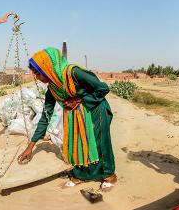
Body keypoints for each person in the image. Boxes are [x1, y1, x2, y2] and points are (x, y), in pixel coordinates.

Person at [17, 47, 117, 190]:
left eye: (38, 74)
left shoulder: (74, 73)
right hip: (76, 116)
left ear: (48, 68)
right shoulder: (52, 88)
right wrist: (30, 147)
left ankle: (109, 175)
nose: (38, 78)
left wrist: (80, 99)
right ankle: (82, 175)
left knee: (100, 143)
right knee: (80, 143)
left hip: (96, 110)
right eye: (35, 74)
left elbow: (102, 88)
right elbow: (46, 116)